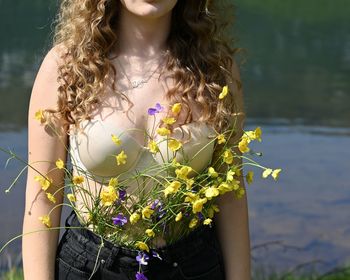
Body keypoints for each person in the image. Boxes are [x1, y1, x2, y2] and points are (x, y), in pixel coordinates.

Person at [22, 0, 251, 279]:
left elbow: (230, 194)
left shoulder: (215, 71)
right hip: (91, 267)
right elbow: (43, 200)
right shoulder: (67, 67)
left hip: (192, 266)